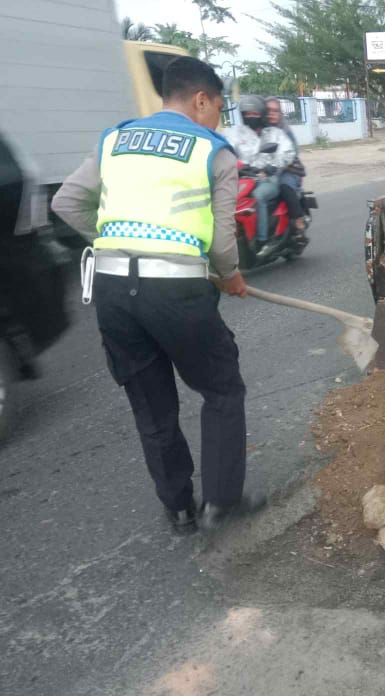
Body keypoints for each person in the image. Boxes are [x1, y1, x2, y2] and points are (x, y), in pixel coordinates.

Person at [51, 56, 266, 535]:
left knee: (150, 403)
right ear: (201, 100)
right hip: (176, 291)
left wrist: (114, 243)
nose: (218, 118)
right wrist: (229, 276)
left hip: (112, 290)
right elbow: (222, 241)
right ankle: (220, 503)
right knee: (221, 389)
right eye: (217, 108)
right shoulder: (215, 151)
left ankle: (180, 509)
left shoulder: (116, 140)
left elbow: (65, 201)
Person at [223, 95, 301, 245]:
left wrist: (273, 166)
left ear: (262, 114)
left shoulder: (274, 133)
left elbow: (288, 152)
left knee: (258, 196)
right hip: (242, 178)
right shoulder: (235, 133)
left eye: (255, 114)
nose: (251, 117)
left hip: (267, 178)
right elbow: (226, 151)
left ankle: (262, 239)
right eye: (247, 114)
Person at [265, 97, 309, 228]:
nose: (271, 114)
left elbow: (292, 152)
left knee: (284, 186)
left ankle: (298, 219)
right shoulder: (261, 130)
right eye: (268, 111)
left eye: (275, 111)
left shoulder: (285, 131)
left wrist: (275, 166)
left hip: (289, 170)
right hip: (267, 170)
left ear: (280, 114)